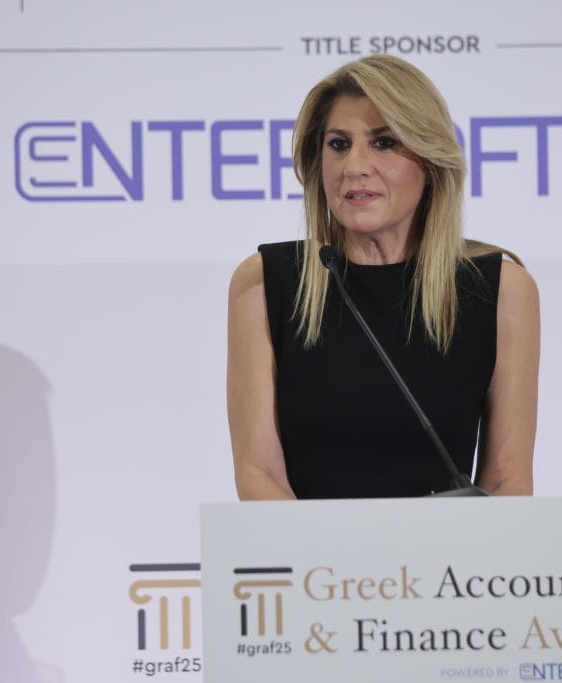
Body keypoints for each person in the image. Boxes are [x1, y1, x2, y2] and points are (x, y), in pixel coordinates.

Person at [227, 55, 539, 500]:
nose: (354, 166)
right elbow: (260, 475)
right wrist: (329, 549)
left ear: (430, 161)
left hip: (450, 546)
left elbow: (507, 481)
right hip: (308, 547)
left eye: (383, 143)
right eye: (338, 144)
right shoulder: (264, 283)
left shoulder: (500, 290)